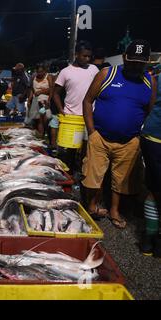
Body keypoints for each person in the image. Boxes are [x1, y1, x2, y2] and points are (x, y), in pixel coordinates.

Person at [82, 40, 157, 229]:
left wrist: (137, 134)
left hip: (129, 141)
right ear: (124, 57)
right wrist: (91, 131)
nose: (136, 66)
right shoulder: (108, 73)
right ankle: (92, 206)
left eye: (140, 63)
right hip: (100, 136)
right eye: (132, 61)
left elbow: (150, 110)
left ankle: (114, 210)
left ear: (147, 62)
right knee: (93, 175)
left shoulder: (150, 80)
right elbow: (88, 101)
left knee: (122, 180)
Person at [53, 41, 99, 171]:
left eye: (89, 56)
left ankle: (82, 173)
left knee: (87, 147)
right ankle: (70, 173)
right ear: (76, 54)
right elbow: (55, 93)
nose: (87, 59)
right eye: (84, 56)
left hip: (90, 116)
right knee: (71, 149)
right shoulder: (65, 72)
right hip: (72, 117)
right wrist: (61, 109)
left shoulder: (94, 69)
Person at [140, 65, 161, 256]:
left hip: (151, 136)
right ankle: (153, 236)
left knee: (154, 188)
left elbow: (149, 105)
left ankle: (149, 237)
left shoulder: (155, 77)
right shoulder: (155, 77)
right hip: (155, 137)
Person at [27, 64, 54, 136]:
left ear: (45, 71)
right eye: (38, 72)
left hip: (45, 101)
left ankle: (47, 133)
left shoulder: (49, 76)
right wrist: (29, 100)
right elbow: (32, 90)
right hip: (36, 100)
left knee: (46, 118)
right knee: (39, 120)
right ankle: (41, 134)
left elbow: (51, 89)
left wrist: (48, 99)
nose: (40, 73)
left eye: (41, 71)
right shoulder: (34, 77)